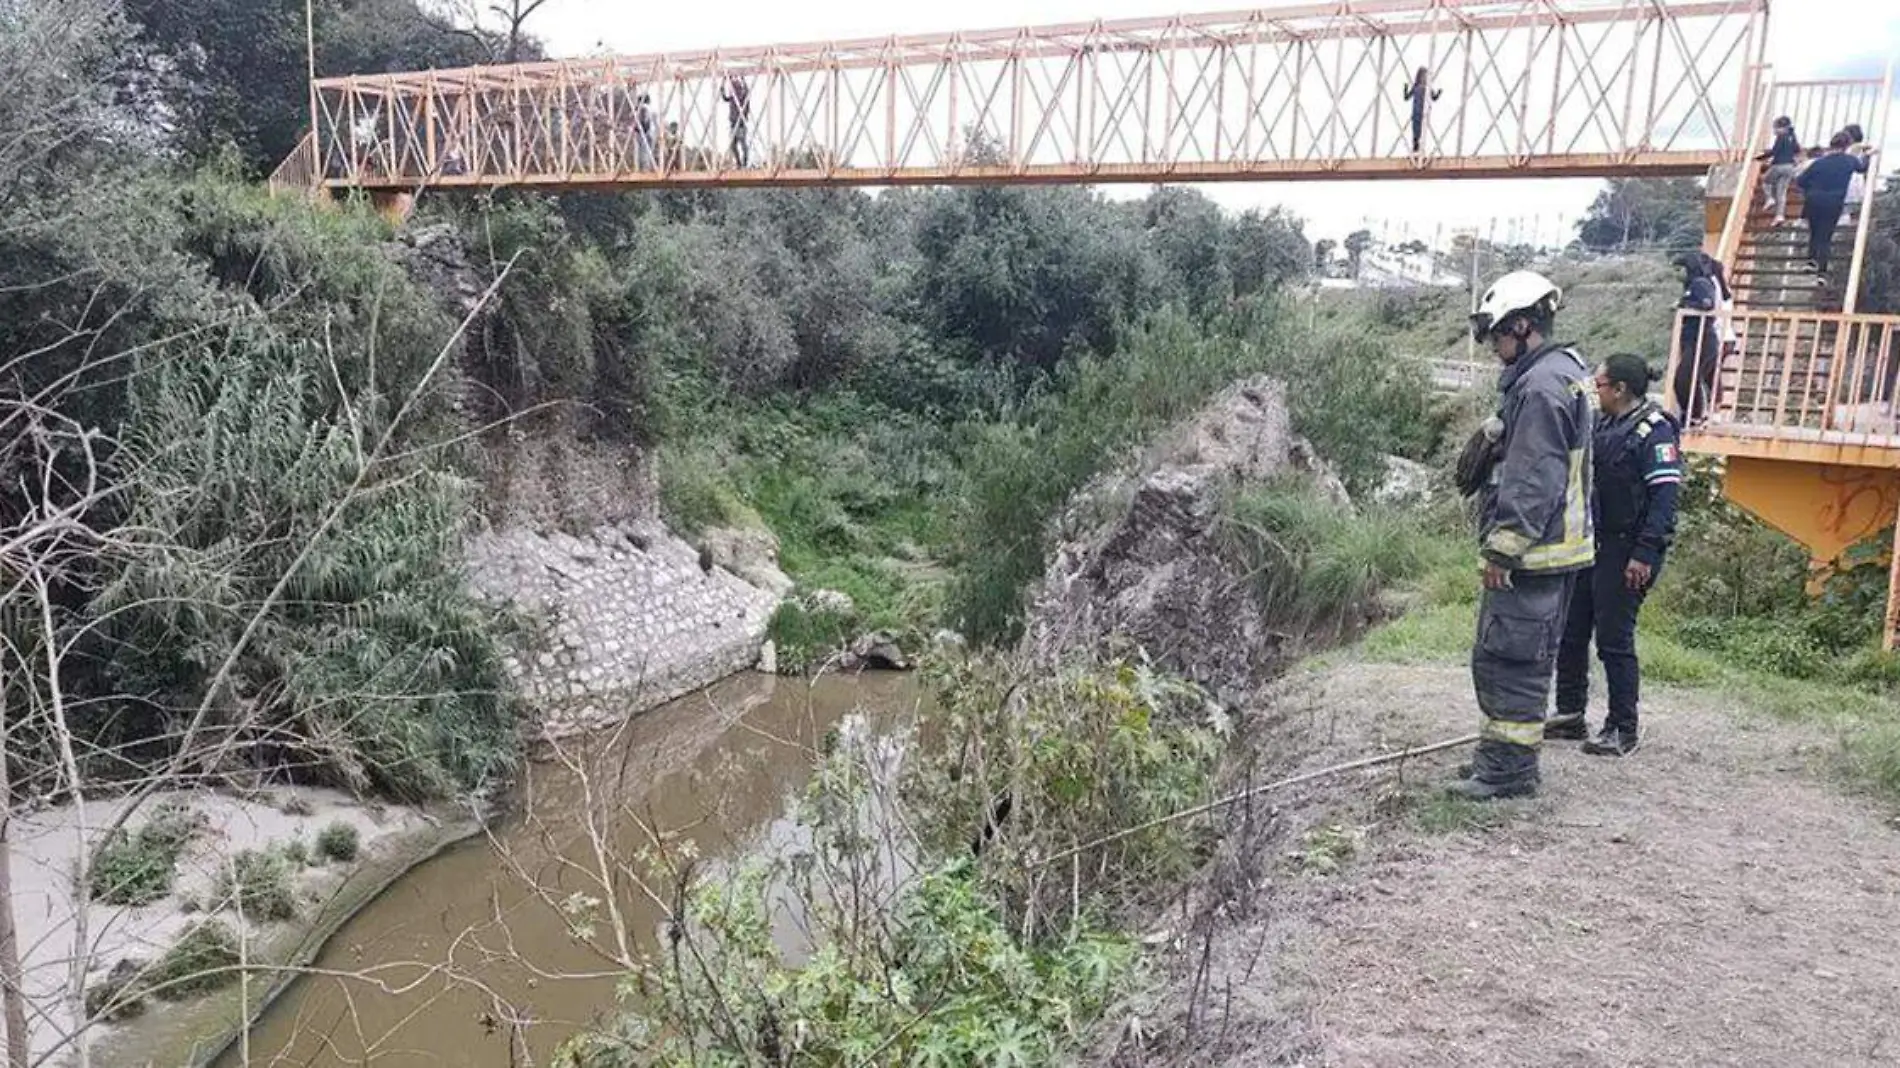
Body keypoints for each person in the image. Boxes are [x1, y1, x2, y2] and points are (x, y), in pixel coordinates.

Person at [1449, 270, 1596, 801]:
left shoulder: (1539, 387)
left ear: (1521, 325)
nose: (1492, 347)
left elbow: (1534, 476)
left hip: (1535, 552)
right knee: (1509, 656)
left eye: (1495, 335)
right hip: (1556, 549)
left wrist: (1504, 546)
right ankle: (1500, 759)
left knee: (1509, 660)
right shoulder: (1561, 372)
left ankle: (1509, 771)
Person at [1550, 354, 1683, 756]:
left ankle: (1622, 727)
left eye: (1601, 384)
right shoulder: (1605, 423)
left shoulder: (1654, 432)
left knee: (1613, 638)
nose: (1596, 390)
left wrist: (1643, 554)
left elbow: (1664, 499)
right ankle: (1571, 712)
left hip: (1629, 547)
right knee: (1572, 630)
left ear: (1620, 389)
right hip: (1594, 544)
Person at [1795, 131, 1873, 284]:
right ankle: (1821, 274)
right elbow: (1862, 167)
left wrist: (1811, 189)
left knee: (1815, 232)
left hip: (1814, 200)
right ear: (1847, 146)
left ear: (1831, 145)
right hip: (1833, 201)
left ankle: (1811, 261)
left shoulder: (1819, 162)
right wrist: (1868, 154)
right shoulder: (1849, 161)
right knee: (1825, 237)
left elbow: (1801, 181)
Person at [1670, 252, 1723, 425]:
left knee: (1685, 379)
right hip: (1692, 339)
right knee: (1690, 378)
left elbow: (1707, 304)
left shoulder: (1699, 283)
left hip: (1701, 338)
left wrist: (1683, 305)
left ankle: (1695, 415)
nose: (1678, 274)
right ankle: (1694, 415)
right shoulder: (1691, 286)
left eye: (1680, 269)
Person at [1755, 115, 1800, 225]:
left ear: (1782, 127)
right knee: (1781, 192)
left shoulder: (1781, 137)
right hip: (1790, 167)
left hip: (1779, 165)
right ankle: (1779, 215)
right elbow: (1796, 149)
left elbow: (1774, 151)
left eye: (1775, 128)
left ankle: (1769, 198)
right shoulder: (1792, 136)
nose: (1774, 130)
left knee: (1765, 180)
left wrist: (1759, 158)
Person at [1403, 66, 1442, 154]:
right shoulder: (1416, 87)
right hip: (1416, 110)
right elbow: (1406, 97)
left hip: (1423, 111)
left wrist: (1439, 93)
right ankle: (1415, 145)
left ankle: (1419, 146)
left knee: (1421, 129)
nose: (1425, 77)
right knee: (1415, 129)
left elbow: (1434, 97)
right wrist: (1405, 88)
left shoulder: (1427, 88)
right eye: (1424, 75)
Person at [721, 75, 751, 167]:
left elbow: (747, 92)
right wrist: (724, 81)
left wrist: (743, 80)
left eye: (735, 86)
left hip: (741, 125)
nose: (732, 89)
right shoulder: (732, 98)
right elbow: (723, 96)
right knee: (733, 145)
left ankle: (744, 163)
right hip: (733, 124)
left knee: (743, 144)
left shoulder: (742, 98)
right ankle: (739, 163)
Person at [634, 92, 657, 170]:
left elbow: (645, 121)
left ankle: (644, 169)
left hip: (645, 132)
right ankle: (649, 168)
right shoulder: (652, 109)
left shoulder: (643, 108)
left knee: (643, 152)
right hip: (652, 132)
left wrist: (638, 130)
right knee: (649, 152)